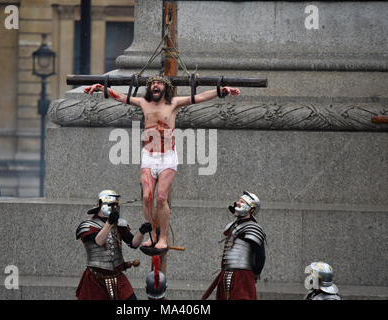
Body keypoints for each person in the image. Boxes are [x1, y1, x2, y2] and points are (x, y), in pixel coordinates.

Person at [84, 75, 241, 251]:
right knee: (146, 196)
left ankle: (163, 237)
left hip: (167, 157)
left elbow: (200, 97)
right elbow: (121, 97)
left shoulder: (173, 103)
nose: (155, 86)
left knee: (161, 197)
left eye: (159, 83)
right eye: (153, 84)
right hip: (149, 157)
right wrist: (101, 88)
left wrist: (222, 90)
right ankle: (152, 235)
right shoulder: (143, 102)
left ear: (166, 88)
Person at [75, 189, 152, 300]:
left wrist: (142, 231)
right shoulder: (88, 225)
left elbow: (133, 243)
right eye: (112, 205)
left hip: (117, 275)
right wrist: (109, 223)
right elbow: (99, 241)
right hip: (95, 278)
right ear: (102, 204)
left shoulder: (119, 224)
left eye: (116, 205)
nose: (115, 208)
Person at [202, 191, 266, 300]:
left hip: (242, 276)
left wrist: (252, 274)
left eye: (242, 202)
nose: (237, 203)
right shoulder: (233, 226)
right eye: (239, 200)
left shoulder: (253, 228)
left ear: (251, 209)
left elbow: (260, 256)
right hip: (226, 273)